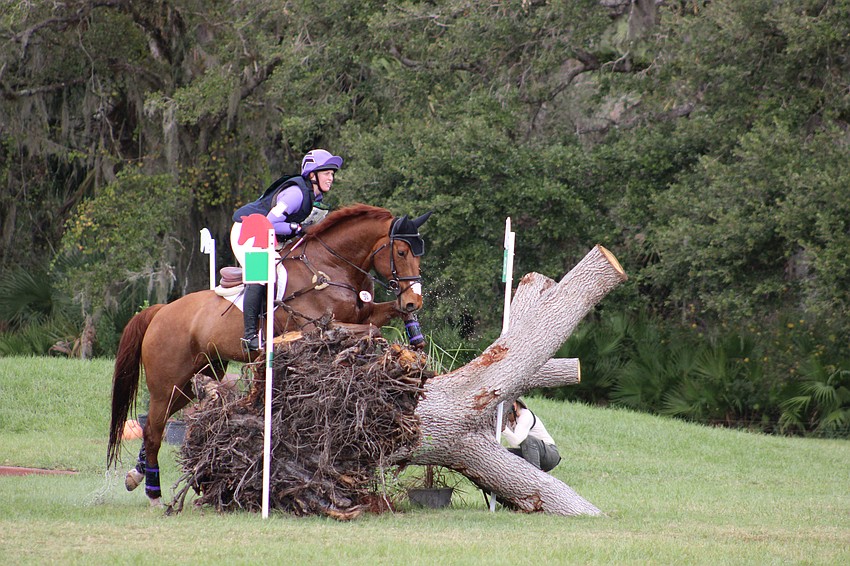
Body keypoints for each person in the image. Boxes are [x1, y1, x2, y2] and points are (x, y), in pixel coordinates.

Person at [230, 149, 343, 351]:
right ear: (312, 175)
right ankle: (249, 336)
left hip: (268, 236)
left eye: (332, 174)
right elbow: (270, 222)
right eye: (326, 173)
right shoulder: (296, 194)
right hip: (248, 230)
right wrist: (298, 228)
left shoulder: (314, 198)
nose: (331, 178)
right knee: (261, 272)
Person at [502, 398, 561, 472]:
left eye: (508, 414)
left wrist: (503, 428)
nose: (507, 417)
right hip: (527, 451)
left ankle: (535, 474)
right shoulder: (508, 419)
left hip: (549, 455)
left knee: (528, 440)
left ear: (515, 406)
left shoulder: (525, 415)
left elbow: (516, 442)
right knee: (502, 452)